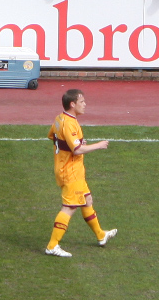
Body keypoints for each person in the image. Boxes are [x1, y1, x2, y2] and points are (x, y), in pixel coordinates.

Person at [44, 88, 116, 258]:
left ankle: (100, 235)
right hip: (70, 171)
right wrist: (98, 145)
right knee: (69, 207)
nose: (85, 104)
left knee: (87, 200)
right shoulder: (69, 123)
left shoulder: (59, 118)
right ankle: (52, 246)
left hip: (71, 169)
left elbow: (52, 136)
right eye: (82, 102)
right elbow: (76, 150)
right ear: (72, 104)